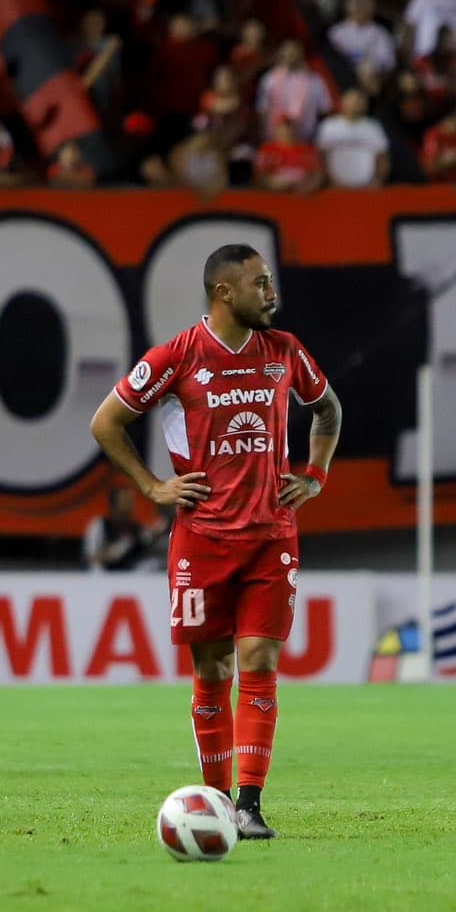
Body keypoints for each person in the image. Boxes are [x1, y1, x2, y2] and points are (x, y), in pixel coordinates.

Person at [88, 244, 343, 842]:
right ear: (224, 292)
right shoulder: (176, 357)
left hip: (271, 537)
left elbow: (327, 411)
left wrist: (315, 475)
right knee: (212, 668)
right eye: (260, 283)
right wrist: (153, 485)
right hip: (201, 541)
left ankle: (250, 806)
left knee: (259, 661)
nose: (271, 292)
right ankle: (217, 801)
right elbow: (106, 422)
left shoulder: (284, 352)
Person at [82, 487, 168, 573]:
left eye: (130, 503)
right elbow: (90, 558)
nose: (128, 508)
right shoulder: (99, 525)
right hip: (106, 573)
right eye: (124, 503)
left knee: (151, 564)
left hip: (129, 572)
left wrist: (154, 535)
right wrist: (111, 552)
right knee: (96, 569)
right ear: (114, 506)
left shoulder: (137, 529)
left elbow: (147, 547)